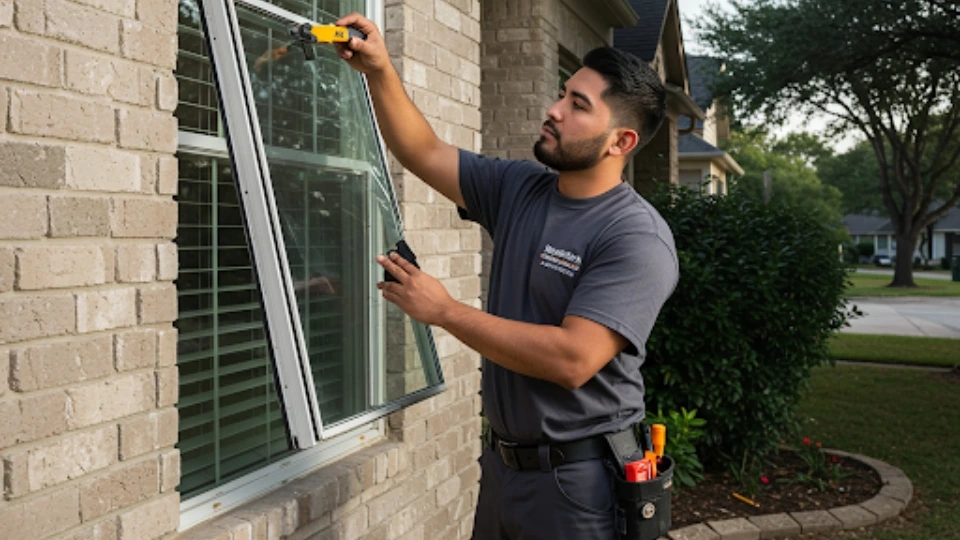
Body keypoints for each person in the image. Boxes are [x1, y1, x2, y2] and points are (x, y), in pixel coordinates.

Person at [335, 12, 679, 540]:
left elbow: (573, 358)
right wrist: (379, 70)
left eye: (577, 106)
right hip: (504, 469)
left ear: (621, 142)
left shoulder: (635, 238)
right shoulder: (522, 189)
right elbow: (422, 151)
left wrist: (444, 311)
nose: (554, 109)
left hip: (579, 486)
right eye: (563, 94)